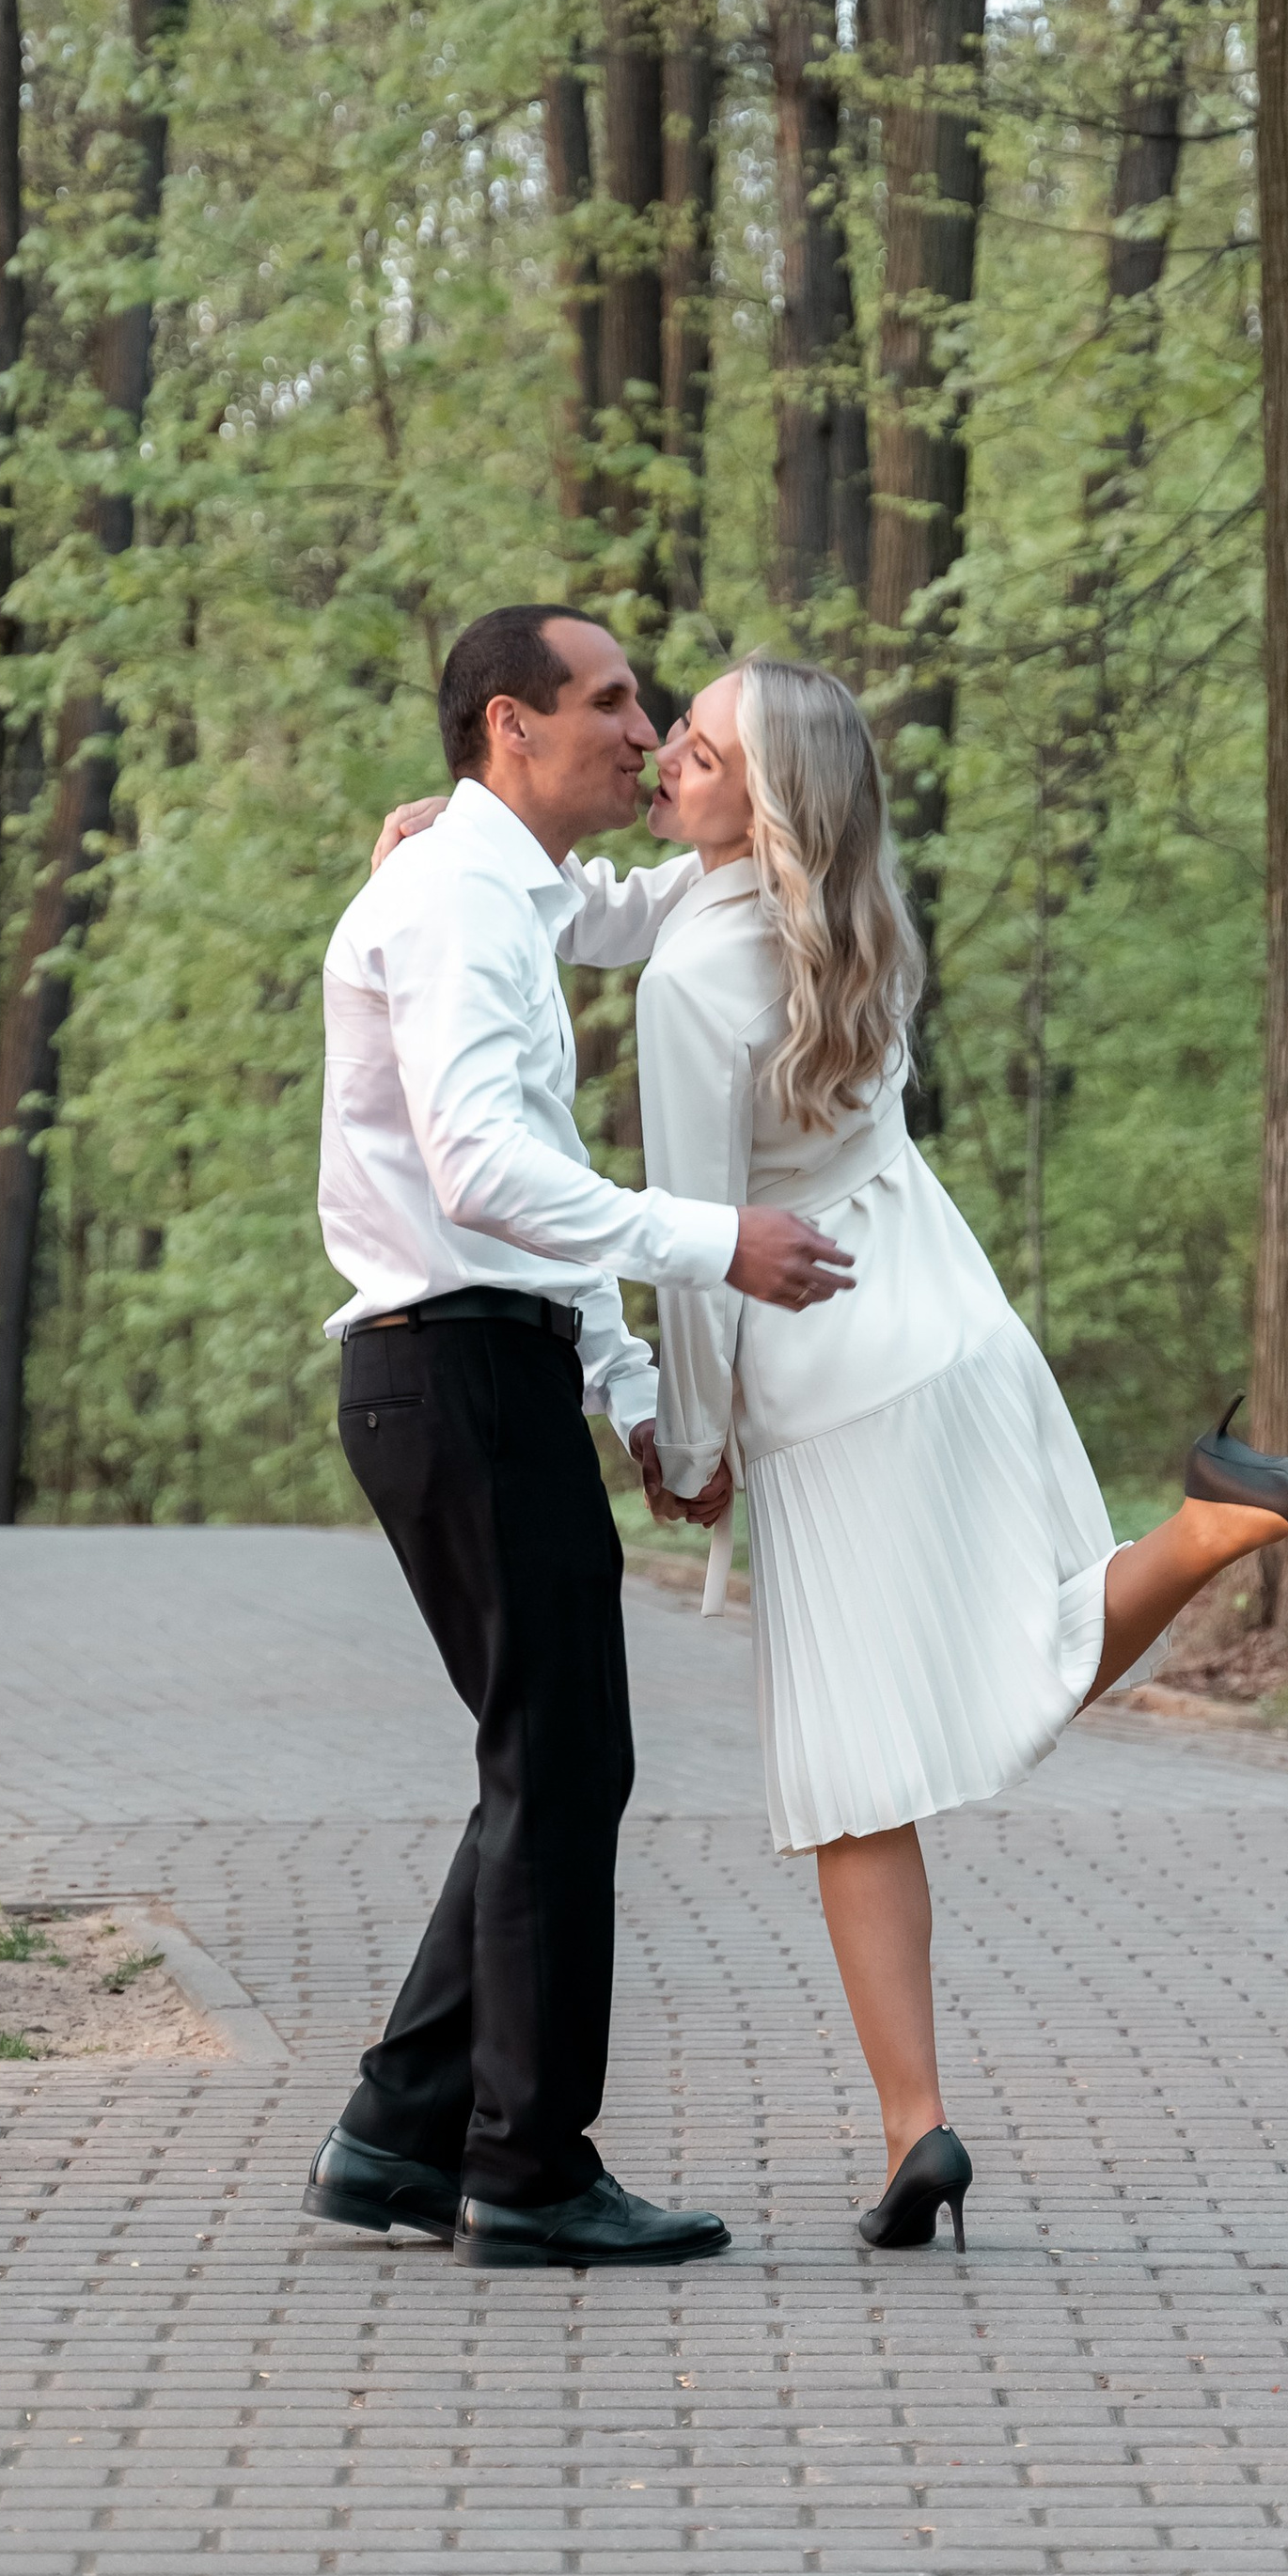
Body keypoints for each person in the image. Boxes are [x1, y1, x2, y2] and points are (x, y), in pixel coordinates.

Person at [373, 658, 1288, 2255]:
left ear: (754, 799)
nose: (663, 756)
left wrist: (683, 1442)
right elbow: (610, 901)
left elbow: (706, 1242)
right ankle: (1201, 1533)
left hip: (833, 1367)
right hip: (951, 1316)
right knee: (995, 1655)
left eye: (697, 745)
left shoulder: (696, 980)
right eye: (669, 726)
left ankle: (922, 2116)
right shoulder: (848, 918)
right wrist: (457, 844)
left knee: (853, 1774)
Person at [299, 606, 851, 2272]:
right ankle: (526, 2170)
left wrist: (621, 1388)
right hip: (450, 1369)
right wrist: (712, 1238)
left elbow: (540, 1133)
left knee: (554, 1764)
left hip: (487, 1362)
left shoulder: (505, 889)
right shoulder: (462, 899)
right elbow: (483, 1176)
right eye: (610, 702)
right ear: (506, 729)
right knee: (559, 1769)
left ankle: (398, 2134)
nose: (642, 726)